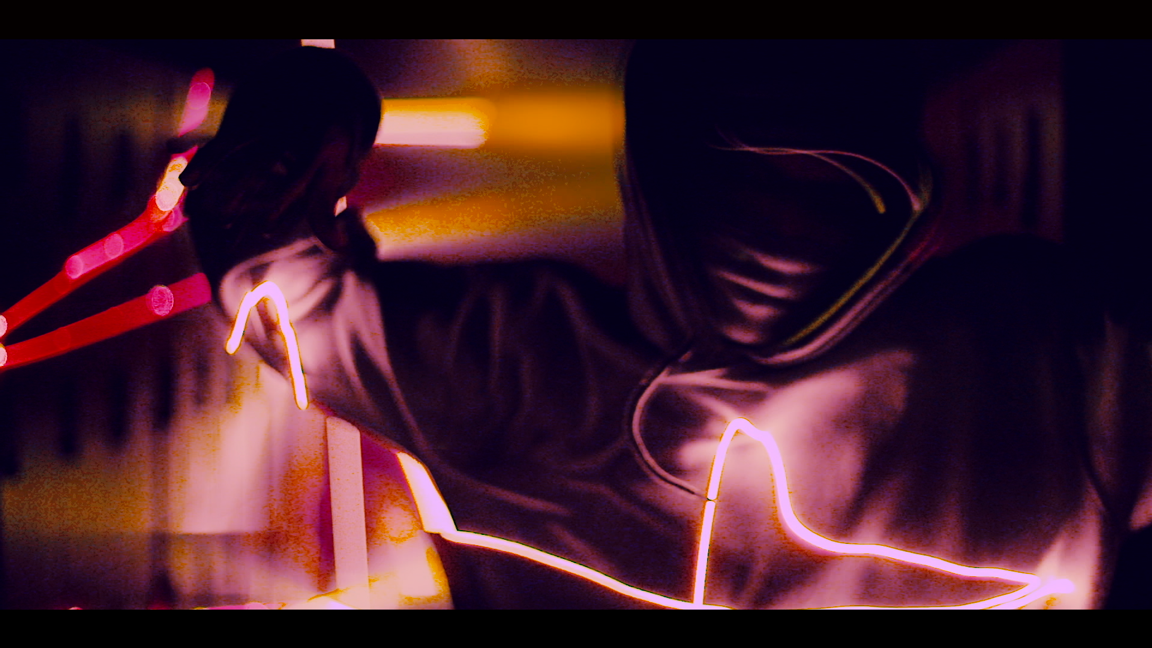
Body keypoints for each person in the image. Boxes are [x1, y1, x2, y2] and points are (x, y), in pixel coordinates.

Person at [181, 42, 1152, 608]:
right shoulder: (1047, 353)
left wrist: (301, 119)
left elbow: (266, 279)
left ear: (656, 171)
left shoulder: (523, 375)